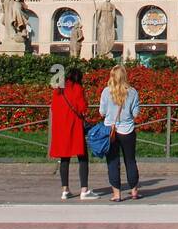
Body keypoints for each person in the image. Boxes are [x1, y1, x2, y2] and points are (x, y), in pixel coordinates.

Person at [50, 67, 97, 200]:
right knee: (83, 157)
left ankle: (65, 190)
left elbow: (53, 108)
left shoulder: (58, 90)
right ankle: (84, 190)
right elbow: (82, 107)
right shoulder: (77, 88)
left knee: (64, 159)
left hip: (60, 129)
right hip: (75, 127)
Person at [99, 65, 140, 202]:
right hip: (127, 130)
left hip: (110, 131)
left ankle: (117, 194)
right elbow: (135, 113)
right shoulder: (133, 92)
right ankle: (134, 191)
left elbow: (102, 112)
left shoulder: (106, 92)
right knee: (130, 160)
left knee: (112, 162)